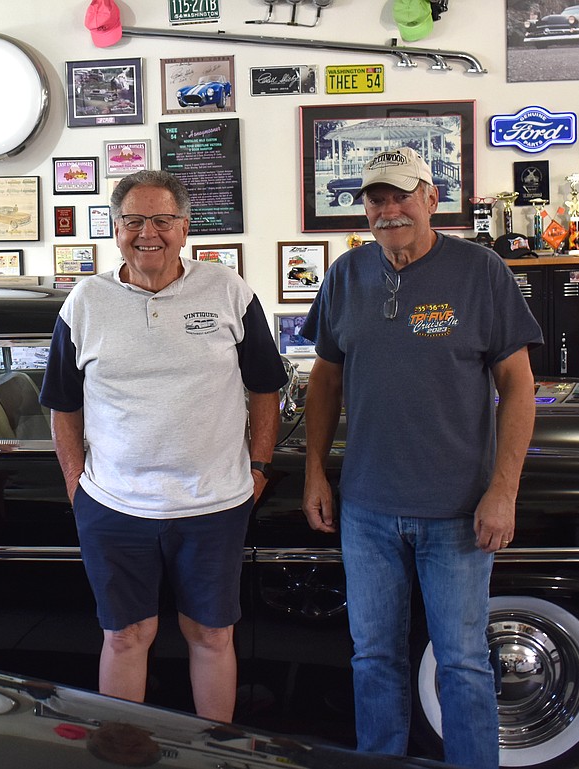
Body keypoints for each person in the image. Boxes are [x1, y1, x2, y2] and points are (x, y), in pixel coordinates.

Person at [300, 147, 542, 769]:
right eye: (376, 200)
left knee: (462, 661)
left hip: (457, 511)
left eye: (401, 195)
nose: (388, 210)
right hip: (367, 511)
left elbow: (519, 386)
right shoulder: (345, 276)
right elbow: (325, 382)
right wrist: (314, 473)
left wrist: (503, 489)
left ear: (432, 198)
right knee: (373, 658)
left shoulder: (480, 271)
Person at [40, 169, 287, 722]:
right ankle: (120, 751)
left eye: (161, 220)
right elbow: (63, 404)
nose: (147, 232)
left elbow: (265, 385)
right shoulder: (84, 301)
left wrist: (259, 465)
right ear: (115, 228)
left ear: (184, 226)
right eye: (133, 220)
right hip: (114, 505)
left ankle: (213, 754)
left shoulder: (227, 289)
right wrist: (76, 486)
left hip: (216, 503)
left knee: (211, 634)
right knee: (126, 637)